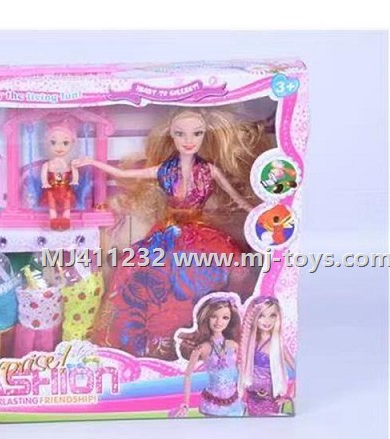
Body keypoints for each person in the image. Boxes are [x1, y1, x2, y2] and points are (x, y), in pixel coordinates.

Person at [74, 107, 271, 359]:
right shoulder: (165, 170)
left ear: (205, 136)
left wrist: (261, 213)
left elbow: (237, 199)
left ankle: (221, 343)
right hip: (167, 235)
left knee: (232, 267)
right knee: (140, 268)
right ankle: (144, 348)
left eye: (197, 133)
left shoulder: (209, 171)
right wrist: (92, 162)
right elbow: (124, 173)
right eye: (180, 134)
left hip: (202, 235)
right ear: (171, 136)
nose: (189, 141)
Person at [172, 296, 245, 417]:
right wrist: (185, 403)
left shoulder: (233, 345)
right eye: (213, 316)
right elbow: (188, 375)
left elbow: (242, 372)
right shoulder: (202, 348)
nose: (219, 322)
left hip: (235, 404)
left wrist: (244, 393)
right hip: (213, 406)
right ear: (206, 318)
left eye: (225, 317)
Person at [239, 296, 295, 415]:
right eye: (262, 316)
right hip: (250, 397)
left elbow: (296, 369)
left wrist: (289, 394)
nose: (267, 321)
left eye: (272, 315)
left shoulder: (278, 345)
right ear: (255, 317)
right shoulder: (250, 343)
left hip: (270, 399)